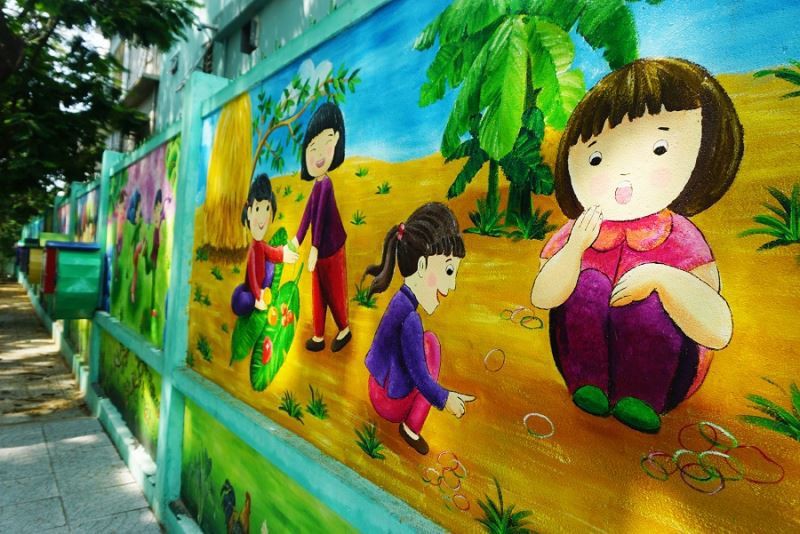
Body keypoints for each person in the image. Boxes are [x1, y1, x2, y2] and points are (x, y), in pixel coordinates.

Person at [531, 58, 743, 433]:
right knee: (589, 284)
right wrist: (574, 249)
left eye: (659, 148)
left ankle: (642, 397)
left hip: (666, 376)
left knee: (649, 300)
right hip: (584, 370)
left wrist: (662, 277)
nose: (622, 174)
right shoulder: (580, 229)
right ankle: (589, 383)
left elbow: (717, 329)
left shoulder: (680, 237)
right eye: (596, 158)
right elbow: (544, 296)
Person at [364, 202, 476, 455]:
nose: (452, 285)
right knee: (431, 345)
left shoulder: (399, 300)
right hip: (389, 403)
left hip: (377, 387)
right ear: (423, 266)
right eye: (448, 271)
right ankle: (411, 427)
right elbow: (422, 378)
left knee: (426, 342)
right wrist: (446, 399)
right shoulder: (410, 319)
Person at [291, 103, 351, 353]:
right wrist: (297, 239)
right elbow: (308, 213)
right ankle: (318, 334)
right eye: (312, 148)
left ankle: (344, 328)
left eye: (326, 142)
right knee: (318, 292)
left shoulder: (326, 185)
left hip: (332, 248)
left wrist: (314, 248)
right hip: (319, 252)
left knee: (334, 291)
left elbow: (320, 217)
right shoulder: (317, 186)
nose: (318, 155)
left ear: (336, 140)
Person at [231, 174, 298, 317]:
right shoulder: (253, 250)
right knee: (245, 300)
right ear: (249, 212)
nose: (262, 217)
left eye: (267, 209)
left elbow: (271, 252)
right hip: (252, 291)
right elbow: (252, 277)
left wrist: (283, 253)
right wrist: (257, 296)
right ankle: (251, 301)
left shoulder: (261, 245)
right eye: (257, 209)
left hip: (263, 285)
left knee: (271, 263)